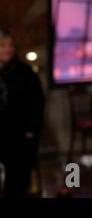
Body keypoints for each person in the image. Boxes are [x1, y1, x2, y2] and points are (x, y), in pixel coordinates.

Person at [0, 29, 45, 197]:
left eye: (11, 45)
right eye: (3, 45)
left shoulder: (25, 72)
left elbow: (38, 102)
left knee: (17, 182)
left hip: (19, 137)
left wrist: (31, 130)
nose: (8, 49)